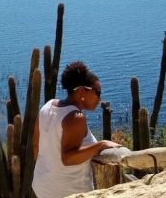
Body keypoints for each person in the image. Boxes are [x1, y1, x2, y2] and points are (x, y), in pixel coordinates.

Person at [32, 61, 121, 198]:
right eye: (97, 92)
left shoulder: (48, 106)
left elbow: (36, 147)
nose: (99, 98)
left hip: (42, 187)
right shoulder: (75, 117)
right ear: (81, 91)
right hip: (69, 192)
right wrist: (101, 145)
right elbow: (67, 158)